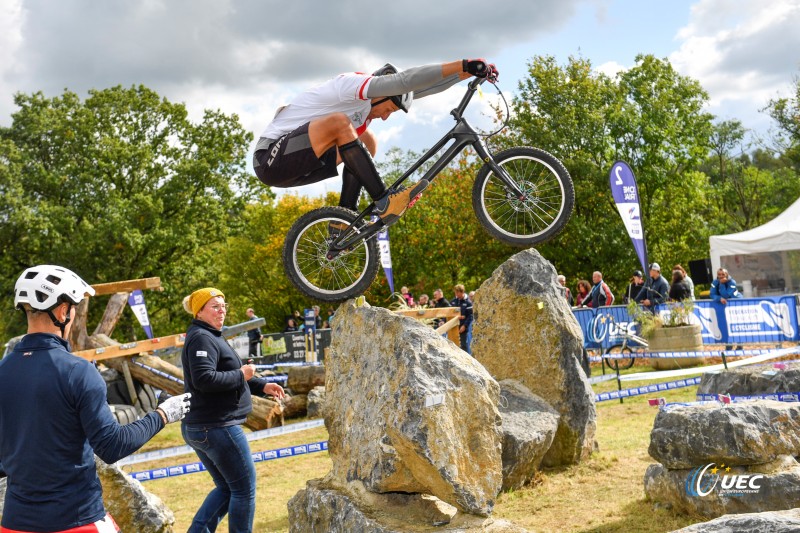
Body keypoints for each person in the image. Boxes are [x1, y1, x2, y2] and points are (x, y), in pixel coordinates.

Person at [0, 265, 191, 532]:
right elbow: (112, 446)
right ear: (63, 311)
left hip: (15, 523)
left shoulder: (4, 370)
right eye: (74, 308)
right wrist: (163, 414)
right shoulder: (78, 371)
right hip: (76, 520)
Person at [252, 59, 498, 231]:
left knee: (367, 141)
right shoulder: (352, 85)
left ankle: (342, 219)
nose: (385, 117)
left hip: (297, 164)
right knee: (340, 123)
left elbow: (417, 89)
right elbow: (405, 81)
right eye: (389, 109)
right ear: (381, 91)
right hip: (270, 158)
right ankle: (384, 200)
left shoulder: (367, 107)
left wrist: (462, 75)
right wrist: (463, 64)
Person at [180, 287, 285, 533]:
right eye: (215, 306)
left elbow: (231, 373)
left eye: (223, 306)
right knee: (243, 490)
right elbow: (205, 379)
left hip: (207, 426)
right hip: (216, 426)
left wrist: (262, 385)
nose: (222, 310)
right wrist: (242, 373)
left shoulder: (210, 334)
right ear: (200, 311)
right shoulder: (202, 337)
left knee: (228, 488)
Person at [451, 284, 473, 353]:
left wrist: (464, 326)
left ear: (462, 292)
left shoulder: (468, 303)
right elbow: (449, 312)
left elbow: (470, 316)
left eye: (457, 292)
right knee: (453, 345)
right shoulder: (453, 301)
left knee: (464, 345)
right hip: (454, 327)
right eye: (455, 292)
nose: (456, 294)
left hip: (463, 328)